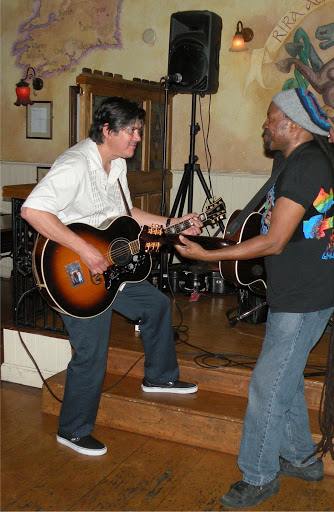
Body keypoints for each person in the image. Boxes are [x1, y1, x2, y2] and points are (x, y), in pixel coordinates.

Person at [175, 87, 334, 509]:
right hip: (299, 291)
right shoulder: (301, 158)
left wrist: (208, 256)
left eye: (271, 118)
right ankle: (302, 459)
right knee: (284, 379)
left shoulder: (306, 165)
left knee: (266, 387)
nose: (265, 125)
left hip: (304, 297)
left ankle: (258, 475)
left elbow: (274, 241)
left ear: (292, 124)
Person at [21, 97, 203, 457]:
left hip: (109, 269)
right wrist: (85, 250)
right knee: (91, 352)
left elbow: (127, 213)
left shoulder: (117, 164)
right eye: (132, 130)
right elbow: (33, 210)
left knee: (155, 305)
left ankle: (159, 377)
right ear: (107, 130)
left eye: (139, 130)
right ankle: (72, 431)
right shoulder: (75, 164)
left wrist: (174, 223)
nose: (138, 137)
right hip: (74, 274)